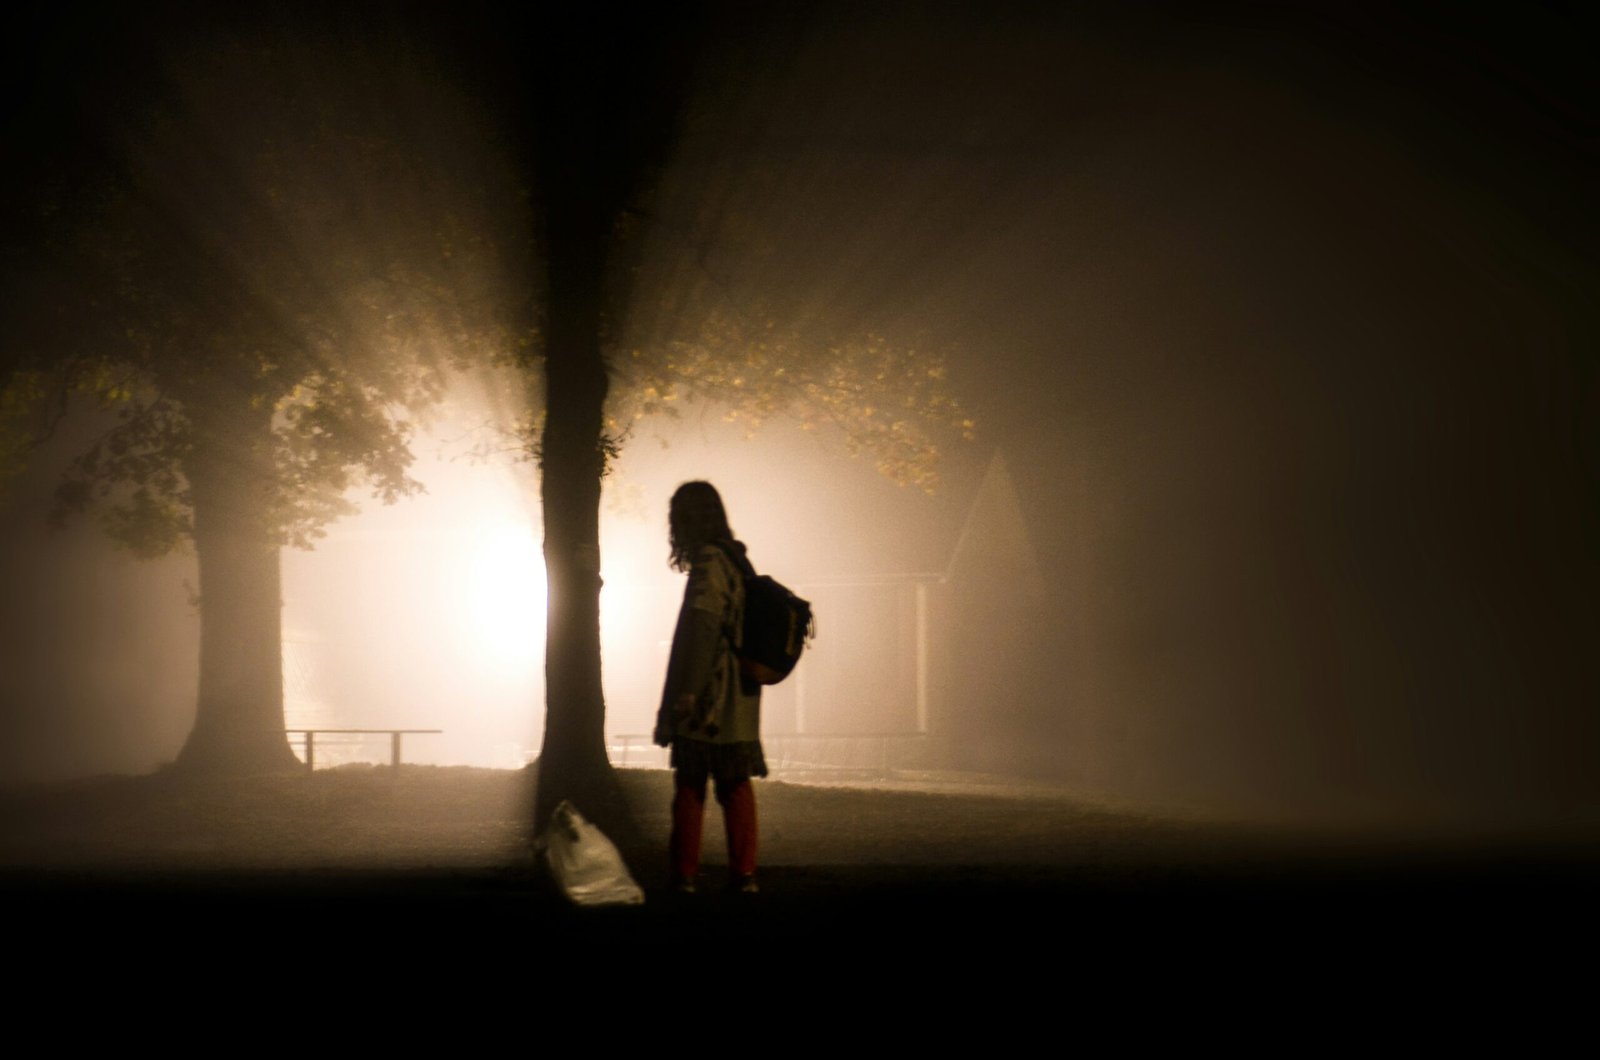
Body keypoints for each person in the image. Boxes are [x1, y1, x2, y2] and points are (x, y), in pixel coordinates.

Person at [652, 481, 765, 894]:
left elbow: (702, 627)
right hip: (740, 696)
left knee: (691, 784)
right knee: (735, 785)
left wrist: (688, 692)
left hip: (711, 697)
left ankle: (684, 874)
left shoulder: (709, 564)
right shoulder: (737, 561)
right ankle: (744, 873)